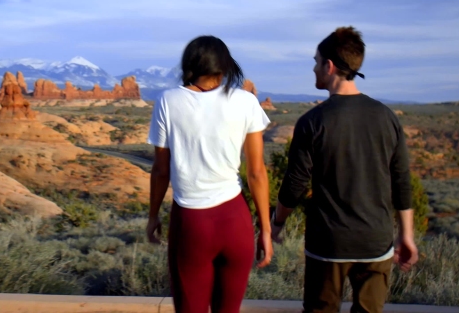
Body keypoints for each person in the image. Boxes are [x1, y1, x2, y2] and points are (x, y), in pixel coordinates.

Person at [270, 26, 418, 313]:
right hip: (376, 242)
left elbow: (295, 184)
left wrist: (277, 223)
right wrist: (406, 234)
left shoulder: (312, 121)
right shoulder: (386, 117)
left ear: (329, 66)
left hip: (328, 243)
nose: (313, 69)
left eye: (316, 62)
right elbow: (401, 181)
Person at [147, 35, 273, 313]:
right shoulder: (245, 101)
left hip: (192, 223)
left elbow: (160, 170)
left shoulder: (168, 100)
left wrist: (153, 215)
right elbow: (256, 173)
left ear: (190, 64)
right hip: (235, 221)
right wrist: (264, 228)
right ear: (225, 66)